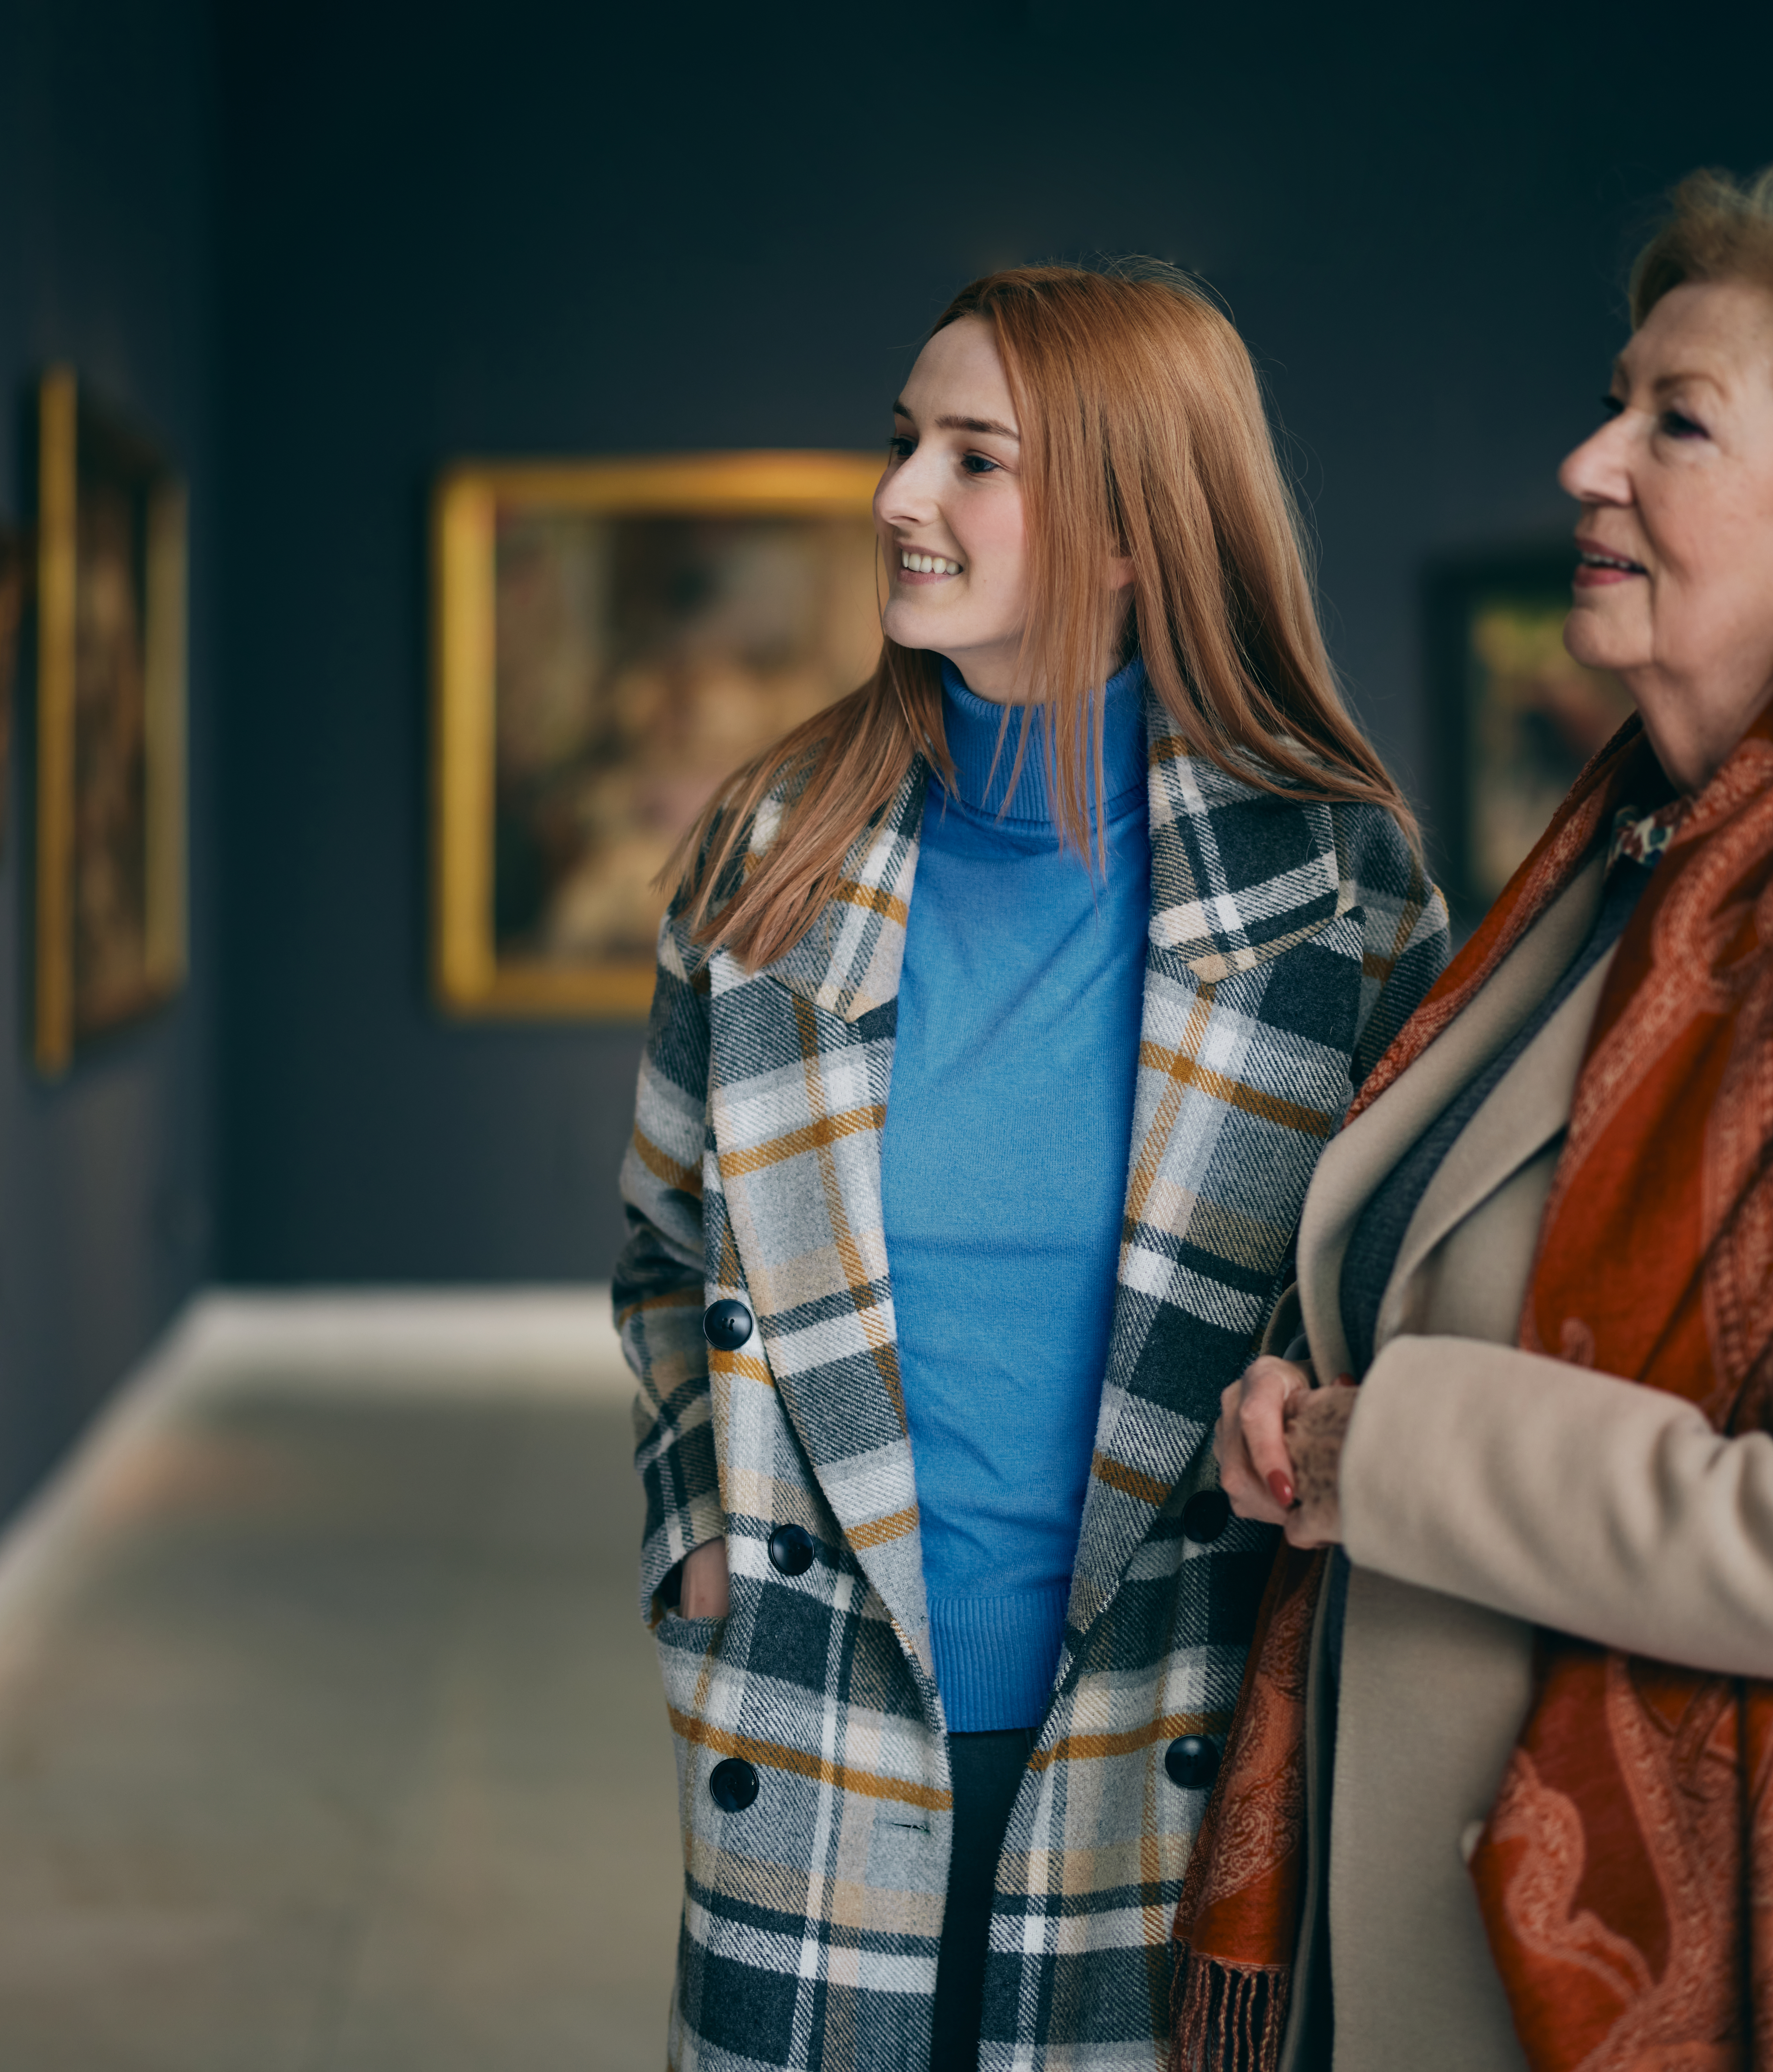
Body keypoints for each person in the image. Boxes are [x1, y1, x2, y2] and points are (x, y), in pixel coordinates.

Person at [1182, 159, 1773, 2072]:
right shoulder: (1621, 862)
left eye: (1672, 423)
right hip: (1418, 1932)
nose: (1583, 459)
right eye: (1612, 400)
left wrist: (1380, 1456)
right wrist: (1292, 1417)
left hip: (1749, 1970)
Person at [614, 261, 1451, 2072]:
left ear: (1137, 525)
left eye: (973, 459)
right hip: (814, 1709)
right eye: (901, 443)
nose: (899, 497)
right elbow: (661, 1254)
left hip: (1173, 1721)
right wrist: (701, 1547)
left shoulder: (1338, 898)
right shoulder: (767, 858)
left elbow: (1416, 1312)